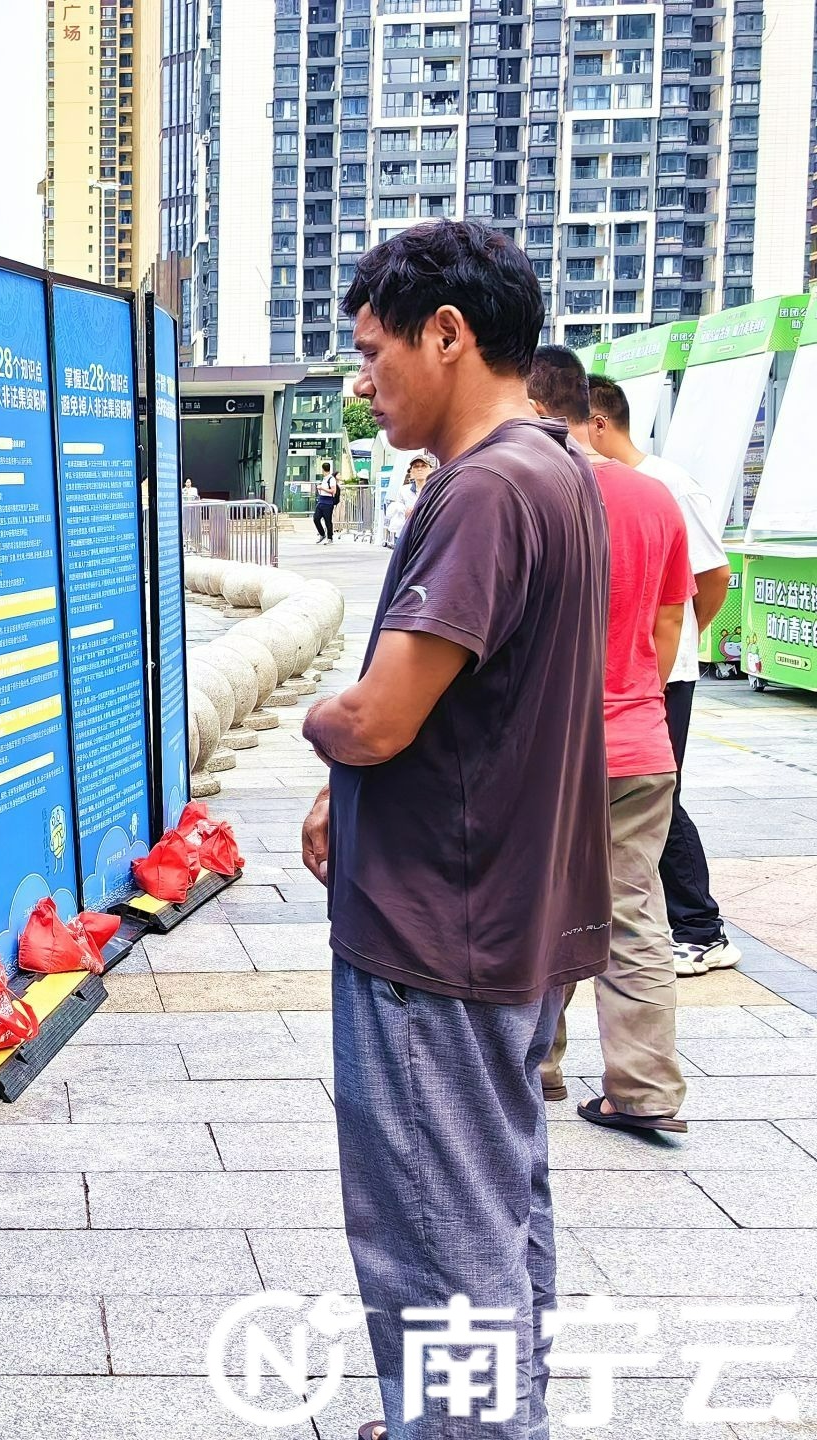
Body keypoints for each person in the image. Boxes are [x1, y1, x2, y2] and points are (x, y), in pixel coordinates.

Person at [301, 221, 609, 1440]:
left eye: (374, 354)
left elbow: (380, 717)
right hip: (512, 917)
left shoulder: (481, 488)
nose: (363, 382)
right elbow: (474, 706)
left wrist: (326, 730)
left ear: (449, 333)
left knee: (436, 1234)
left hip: (439, 931)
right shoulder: (556, 467)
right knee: (494, 1211)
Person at [528, 349, 693, 1136]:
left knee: (535, 906)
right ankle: (645, 1089)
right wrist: (632, 697)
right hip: (642, 742)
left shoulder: (533, 490)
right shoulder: (654, 498)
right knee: (634, 913)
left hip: (554, 747)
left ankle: (540, 1067)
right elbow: (671, 622)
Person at [587, 374, 740, 977]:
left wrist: (667, 648)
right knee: (650, 797)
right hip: (640, 669)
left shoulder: (669, 485)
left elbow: (713, 576)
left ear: (599, 422)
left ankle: (702, 928)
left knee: (657, 797)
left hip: (663, 675)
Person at [383, 455, 433, 546]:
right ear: (411, 472)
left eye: (424, 466)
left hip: (429, 535)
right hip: (407, 534)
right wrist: (405, 512)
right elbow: (396, 512)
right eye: (416, 466)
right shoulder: (404, 491)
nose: (420, 469)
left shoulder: (435, 489)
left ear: (430, 470)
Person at [312, 460, 340, 542]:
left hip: (328, 502)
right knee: (316, 518)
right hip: (321, 501)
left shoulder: (331, 479)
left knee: (328, 520)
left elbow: (333, 491)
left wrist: (322, 488)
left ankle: (330, 537)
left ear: (323, 469)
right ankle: (322, 534)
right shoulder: (324, 479)